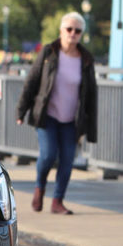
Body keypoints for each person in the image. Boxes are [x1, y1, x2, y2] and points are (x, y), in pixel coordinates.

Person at [16, 12, 97, 215]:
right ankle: (40, 187)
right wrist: (21, 110)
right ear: (61, 31)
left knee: (67, 160)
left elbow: (91, 95)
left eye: (77, 31)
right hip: (47, 116)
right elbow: (32, 82)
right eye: (69, 29)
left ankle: (57, 201)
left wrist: (89, 127)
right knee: (48, 155)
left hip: (71, 120)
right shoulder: (49, 53)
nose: (73, 34)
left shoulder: (86, 60)